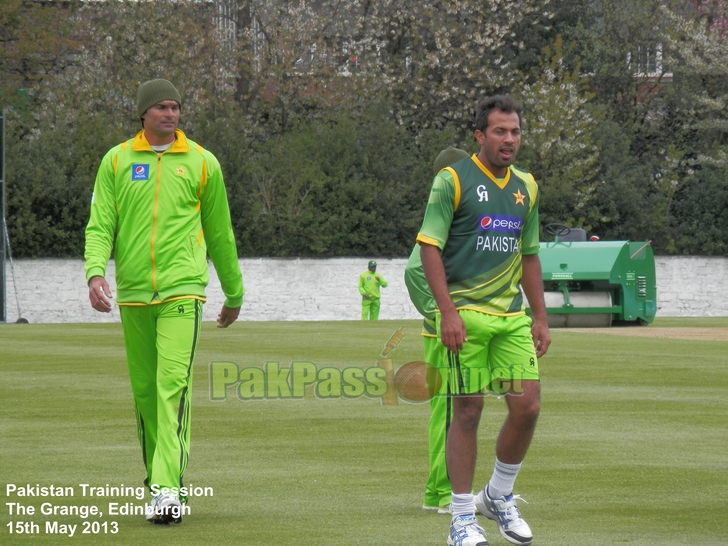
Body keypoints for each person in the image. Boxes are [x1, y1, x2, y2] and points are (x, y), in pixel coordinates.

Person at [84, 79, 244, 524]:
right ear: (143, 114)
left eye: (176, 106)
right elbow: (100, 225)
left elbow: (220, 233)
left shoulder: (202, 162)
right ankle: (160, 484)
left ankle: (167, 492)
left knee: (171, 390)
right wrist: (95, 272)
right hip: (133, 297)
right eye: (161, 107)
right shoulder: (116, 160)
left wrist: (234, 292)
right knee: (145, 396)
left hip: (182, 291)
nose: (171, 114)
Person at [417, 96, 550, 546]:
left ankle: (497, 495)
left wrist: (540, 317)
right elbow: (428, 247)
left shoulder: (527, 186)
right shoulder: (451, 180)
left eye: (514, 131)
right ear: (479, 135)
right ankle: (459, 519)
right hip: (464, 315)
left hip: (511, 317)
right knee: (468, 409)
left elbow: (529, 254)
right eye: (499, 131)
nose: (509, 139)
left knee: (527, 406)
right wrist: (448, 313)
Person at [404, 146, 471, 515]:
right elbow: (415, 269)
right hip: (444, 333)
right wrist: (439, 314)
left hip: (450, 330)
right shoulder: (446, 214)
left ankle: (437, 494)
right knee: (450, 412)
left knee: (450, 411)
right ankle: (445, 495)